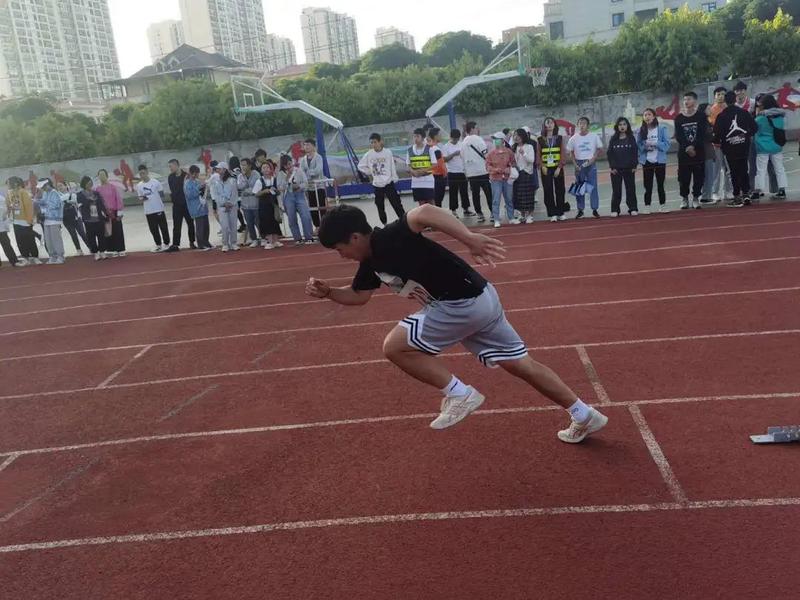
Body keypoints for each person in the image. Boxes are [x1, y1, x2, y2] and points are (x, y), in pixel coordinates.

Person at [308, 204, 609, 441]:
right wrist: (329, 292)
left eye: (339, 249)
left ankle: (459, 394)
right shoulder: (369, 263)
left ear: (355, 237)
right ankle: (584, 414)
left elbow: (425, 212)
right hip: (482, 298)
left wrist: (469, 238)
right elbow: (359, 295)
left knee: (395, 347)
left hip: (460, 304)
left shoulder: (390, 236)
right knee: (521, 364)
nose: (341, 256)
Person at [714, 91, 757, 208]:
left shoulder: (721, 116)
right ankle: (746, 194)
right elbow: (754, 127)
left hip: (729, 148)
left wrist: (719, 141)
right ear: (735, 99)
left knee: (733, 172)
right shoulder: (744, 113)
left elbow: (717, 133)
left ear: (725, 101)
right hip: (743, 146)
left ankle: (737, 196)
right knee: (744, 169)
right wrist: (746, 135)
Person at [358, 132, 405, 226]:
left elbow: (392, 166)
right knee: (380, 205)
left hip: (388, 183)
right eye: (371, 142)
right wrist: (370, 171)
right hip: (377, 184)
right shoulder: (369, 154)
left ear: (380, 142)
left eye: (375, 142)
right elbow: (360, 166)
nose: (373, 144)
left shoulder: (387, 152)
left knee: (396, 203)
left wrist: (394, 178)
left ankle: (404, 221)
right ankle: (384, 224)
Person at [674, 91, 706, 210]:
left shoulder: (701, 116)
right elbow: (679, 136)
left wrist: (693, 146)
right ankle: (684, 198)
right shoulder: (679, 118)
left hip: (698, 152)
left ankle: (696, 198)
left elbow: (702, 134)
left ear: (695, 101)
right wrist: (687, 147)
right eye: (685, 99)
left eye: (689, 99)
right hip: (684, 153)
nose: (686, 102)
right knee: (684, 178)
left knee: (699, 177)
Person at [752, 93, 788, 201]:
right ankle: (782, 190)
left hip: (763, 147)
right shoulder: (781, 117)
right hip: (777, 146)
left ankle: (757, 191)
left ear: (764, 105)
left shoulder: (760, 118)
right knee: (779, 169)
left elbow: (755, 130)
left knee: (761, 170)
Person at [567, 116, 602, 218]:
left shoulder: (594, 136)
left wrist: (593, 158)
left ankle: (594, 209)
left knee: (593, 186)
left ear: (588, 125)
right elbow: (571, 152)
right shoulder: (573, 138)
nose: (582, 125)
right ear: (578, 125)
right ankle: (580, 209)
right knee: (580, 187)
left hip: (590, 163)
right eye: (580, 123)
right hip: (579, 164)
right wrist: (575, 164)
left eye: (584, 123)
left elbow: (599, 149)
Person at [637, 108, 670, 214]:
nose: (647, 117)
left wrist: (656, 143)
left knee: (660, 184)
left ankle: (662, 205)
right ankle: (647, 206)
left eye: (649, 114)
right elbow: (639, 145)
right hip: (647, 161)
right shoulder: (641, 130)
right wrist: (645, 147)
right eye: (645, 115)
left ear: (654, 116)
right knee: (648, 185)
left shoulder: (662, 129)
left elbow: (667, 145)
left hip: (659, 161)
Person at [606, 117, 639, 217]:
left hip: (629, 168)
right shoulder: (613, 139)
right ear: (617, 126)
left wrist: (634, 165)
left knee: (631, 189)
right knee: (616, 190)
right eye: (620, 125)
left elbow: (635, 152)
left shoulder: (631, 138)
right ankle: (615, 209)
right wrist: (612, 167)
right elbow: (610, 154)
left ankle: (633, 208)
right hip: (616, 170)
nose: (622, 126)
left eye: (624, 124)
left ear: (627, 126)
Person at [278, 155, 314, 245]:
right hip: (288, 196)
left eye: (289, 163)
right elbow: (280, 187)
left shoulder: (298, 170)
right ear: (283, 166)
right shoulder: (281, 174)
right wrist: (287, 178)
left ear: (292, 162)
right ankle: (297, 238)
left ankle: (309, 237)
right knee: (292, 218)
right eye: (286, 165)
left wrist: (299, 186)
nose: (288, 166)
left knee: (305, 216)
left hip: (299, 194)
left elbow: (305, 183)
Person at [705, 87, 732, 204]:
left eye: (723, 94)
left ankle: (728, 190)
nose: (721, 96)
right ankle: (715, 192)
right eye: (718, 94)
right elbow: (712, 126)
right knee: (716, 169)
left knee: (728, 169)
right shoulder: (712, 110)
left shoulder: (729, 108)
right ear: (714, 96)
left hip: (729, 143)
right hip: (717, 144)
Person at [537, 117, 567, 222]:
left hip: (557, 167)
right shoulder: (540, 139)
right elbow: (538, 154)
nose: (549, 125)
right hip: (545, 168)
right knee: (548, 190)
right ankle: (552, 213)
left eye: (551, 123)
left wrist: (559, 167)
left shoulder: (559, 138)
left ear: (554, 125)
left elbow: (563, 153)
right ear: (544, 125)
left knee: (560, 190)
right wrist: (542, 166)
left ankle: (560, 212)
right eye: (547, 123)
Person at [485, 131, 518, 228]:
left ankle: (511, 217)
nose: (495, 141)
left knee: (509, 198)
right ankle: (496, 219)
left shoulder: (509, 152)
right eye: (494, 139)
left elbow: (514, 162)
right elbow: (487, 166)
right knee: (496, 199)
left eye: (497, 139)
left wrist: (509, 168)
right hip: (495, 179)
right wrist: (495, 170)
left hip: (507, 179)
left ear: (503, 140)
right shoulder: (491, 153)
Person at [733, 80, 760, 194]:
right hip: (738, 138)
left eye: (741, 90)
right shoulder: (733, 106)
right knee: (741, 165)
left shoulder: (753, 103)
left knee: (753, 163)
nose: (739, 93)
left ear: (745, 91)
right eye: (737, 91)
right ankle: (742, 188)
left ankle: (753, 188)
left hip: (751, 137)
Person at [136, 165, 171, 252]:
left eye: (143, 173)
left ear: (147, 172)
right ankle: (158, 244)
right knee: (153, 229)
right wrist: (143, 198)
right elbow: (140, 197)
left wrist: (155, 198)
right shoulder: (139, 185)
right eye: (140, 174)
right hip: (148, 211)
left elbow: (162, 194)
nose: (142, 175)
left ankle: (166, 243)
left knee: (163, 227)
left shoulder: (155, 182)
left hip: (158, 209)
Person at [7, 177, 40, 264]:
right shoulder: (10, 193)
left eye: (9, 183)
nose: (8, 185)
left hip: (25, 220)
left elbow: (28, 206)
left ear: (15, 184)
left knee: (30, 239)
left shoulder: (23, 192)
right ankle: (26, 257)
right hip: (15, 221)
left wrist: (29, 219)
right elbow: (8, 205)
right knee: (20, 241)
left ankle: (35, 256)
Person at [461, 121, 490, 222]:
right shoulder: (478, 139)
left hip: (471, 173)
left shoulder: (463, 142)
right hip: (482, 171)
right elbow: (485, 154)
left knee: (475, 195)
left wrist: (466, 172)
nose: (478, 129)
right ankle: (493, 213)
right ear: (472, 129)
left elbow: (462, 157)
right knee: (488, 193)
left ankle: (479, 214)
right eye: (477, 127)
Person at [442, 129, 473, 218]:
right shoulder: (446, 146)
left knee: (464, 191)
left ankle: (466, 209)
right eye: (454, 139)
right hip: (452, 172)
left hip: (462, 171)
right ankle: (453, 210)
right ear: (450, 137)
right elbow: (444, 159)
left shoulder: (462, 145)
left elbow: (466, 156)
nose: (455, 140)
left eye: (457, 139)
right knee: (453, 192)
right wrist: (453, 154)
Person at [252, 160, 284, 250]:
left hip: (274, 204)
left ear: (271, 169)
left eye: (267, 167)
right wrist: (264, 191)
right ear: (261, 170)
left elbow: (279, 191)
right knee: (266, 222)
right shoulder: (259, 181)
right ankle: (269, 241)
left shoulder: (275, 179)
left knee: (275, 222)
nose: (266, 169)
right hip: (264, 205)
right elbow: (255, 193)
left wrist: (277, 191)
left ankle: (276, 240)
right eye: (264, 168)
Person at [76, 176, 109, 260]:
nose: (89, 185)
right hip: (88, 219)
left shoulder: (96, 193)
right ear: (84, 184)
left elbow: (101, 204)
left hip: (98, 217)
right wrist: (89, 201)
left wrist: (106, 213)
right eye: (87, 183)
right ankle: (96, 253)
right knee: (91, 237)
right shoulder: (80, 195)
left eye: (90, 183)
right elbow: (80, 206)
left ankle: (102, 251)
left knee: (101, 235)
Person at [166, 159, 195, 251]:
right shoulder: (170, 177)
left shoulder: (186, 175)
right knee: (176, 225)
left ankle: (192, 242)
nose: (170, 168)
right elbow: (172, 190)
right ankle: (175, 244)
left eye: (171, 166)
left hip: (187, 204)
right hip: (176, 205)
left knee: (190, 223)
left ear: (176, 165)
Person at [96, 169, 126, 257]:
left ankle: (120, 249)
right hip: (104, 213)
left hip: (114, 212)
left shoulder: (112, 187)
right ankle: (112, 249)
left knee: (117, 230)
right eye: (100, 175)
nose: (102, 177)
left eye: (103, 175)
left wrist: (120, 212)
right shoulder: (97, 189)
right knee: (108, 231)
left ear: (107, 176)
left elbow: (118, 199)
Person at [35, 178, 65, 264]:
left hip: (54, 219)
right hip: (47, 219)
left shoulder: (54, 193)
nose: (42, 188)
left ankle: (60, 256)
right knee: (48, 239)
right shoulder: (45, 193)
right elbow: (44, 202)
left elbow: (56, 205)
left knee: (56, 239)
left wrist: (44, 205)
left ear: (47, 185)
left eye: (43, 186)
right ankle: (52, 256)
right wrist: (37, 201)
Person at [511, 128, 538, 223]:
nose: (516, 137)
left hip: (526, 173)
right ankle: (522, 214)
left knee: (528, 195)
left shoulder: (529, 147)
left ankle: (530, 215)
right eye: (514, 135)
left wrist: (524, 153)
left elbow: (532, 160)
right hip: (516, 174)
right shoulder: (513, 147)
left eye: (518, 135)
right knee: (519, 195)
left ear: (523, 136)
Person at [212, 162, 240, 251]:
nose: (217, 170)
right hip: (222, 207)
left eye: (219, 168)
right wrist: (223, 203)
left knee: (233, 225)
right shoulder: (216, 181)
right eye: (217, 169)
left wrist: (230, 203)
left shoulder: (232, 181)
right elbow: (216, 195)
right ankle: (225, 244)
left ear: (224, 169)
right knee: (224, 225)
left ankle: (233, 243)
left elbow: (235, 194)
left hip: (232, 206)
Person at [184, 165, 212, 251]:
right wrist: (199, 188)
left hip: (203, 206)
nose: (197, 175)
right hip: (195, 208)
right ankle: (201, 244)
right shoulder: (187, 183)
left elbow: (203, 192)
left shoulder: (197, 181)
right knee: (200, 227)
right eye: (196, 173)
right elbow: (189, 195)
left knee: (206, 226)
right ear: (192, 173)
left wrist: (204, 187)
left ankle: (206, 242)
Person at [406, 127, 437, 206]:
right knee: (421, 203)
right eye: (414, 136)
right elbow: (408, 164)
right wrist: (413, 171)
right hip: (416, 181)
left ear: (423, 138)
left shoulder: (429, 149)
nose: (415, 138)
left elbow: (434, 164)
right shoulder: (409, 150)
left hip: (428, 180)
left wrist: (422, 171)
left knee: (431, 201)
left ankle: (433, 214)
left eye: (417, 136)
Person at [300, 139, 327, 228]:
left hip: (319, 186)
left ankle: (324, 225)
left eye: (308, 145)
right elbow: (301, 172)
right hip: (309, 187)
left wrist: (307, 174)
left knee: (321, 207)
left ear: (313, 146)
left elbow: (318, 170)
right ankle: (317, 226)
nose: (306, 147)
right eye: (305, 145)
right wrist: (305, 176)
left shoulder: (318, 157)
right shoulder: (303, 159)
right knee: (312, 208)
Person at [237, 157, 262, 247]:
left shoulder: (256, 174)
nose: (242, 167)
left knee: (258, 222)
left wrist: (248, 191)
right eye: (241, 165)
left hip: (256, 203)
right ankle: (254, 239)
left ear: (250, 165)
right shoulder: (240, 176)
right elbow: (239, 187)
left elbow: (257, 187)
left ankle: (263, 237)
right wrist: (244, 178)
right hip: (245, 204)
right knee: (249, 222)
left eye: (244, 165)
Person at [57, 181, 87, 255]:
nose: (60, 187)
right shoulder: (58, 197)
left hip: (75, 217)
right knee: (73, 234)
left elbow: (76, 202)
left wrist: (68, 199)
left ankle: (91, 247)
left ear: (66, 186)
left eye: (61, 185)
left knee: (82, 233)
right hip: (66, 218)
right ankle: (79, 250)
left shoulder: (72, 194)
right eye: (58, 186)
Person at [0, 189, 22, 267]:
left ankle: (14, 261)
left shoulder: (1, 198)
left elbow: (5, 211)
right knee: (6, 244)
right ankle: (14, 261)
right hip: (1, 226)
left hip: (1, 227)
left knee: (6, 244)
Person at [427, 127, 448, 208]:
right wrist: (445, 174)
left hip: (432, 176)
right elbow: (440, 164)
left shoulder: (429, 147)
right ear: (435, 136)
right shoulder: (435, 149)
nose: (441, 136)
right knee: (438, 200)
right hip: (438, 177)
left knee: (435, 200)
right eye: (440, 134)